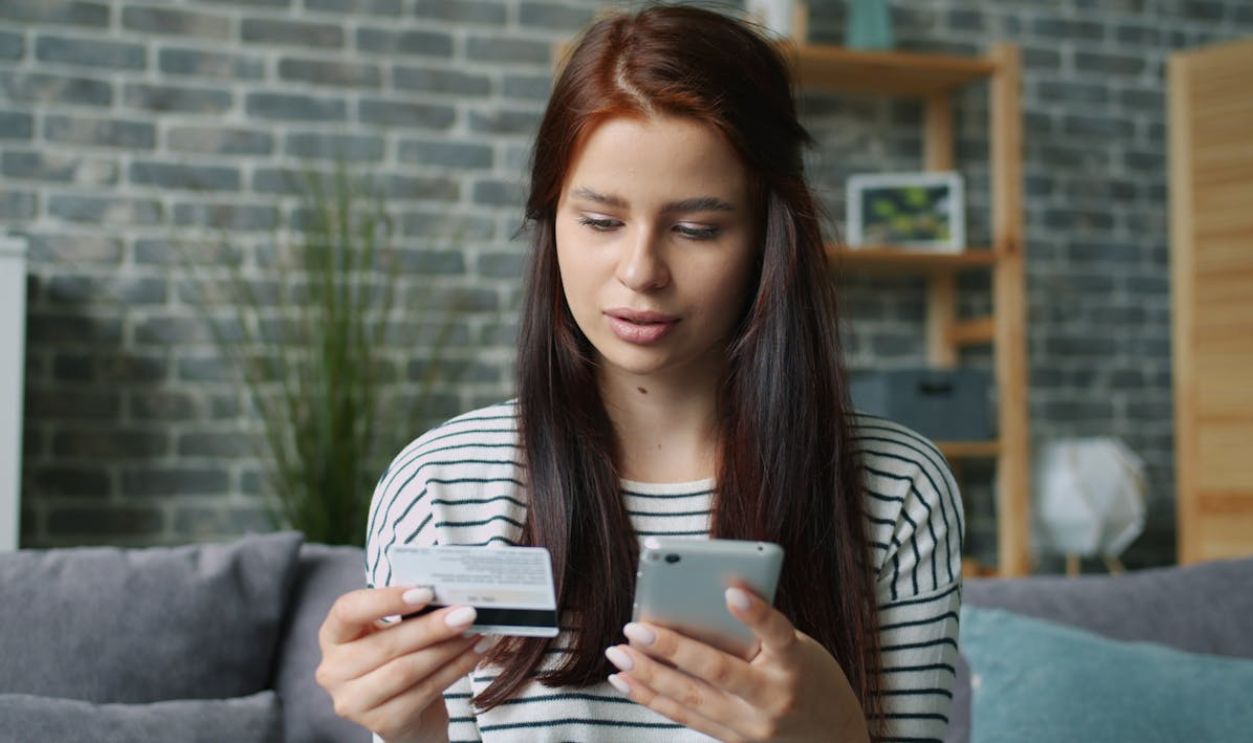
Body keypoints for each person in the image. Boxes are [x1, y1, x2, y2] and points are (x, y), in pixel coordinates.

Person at [316, 4, 963, 742]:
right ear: (551, 219)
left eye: (696, 228)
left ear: (767, 237)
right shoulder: (440, 483)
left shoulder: (897, 489)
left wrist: (834, 733)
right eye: (599, 221)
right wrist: (406, 727)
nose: (640, 271)